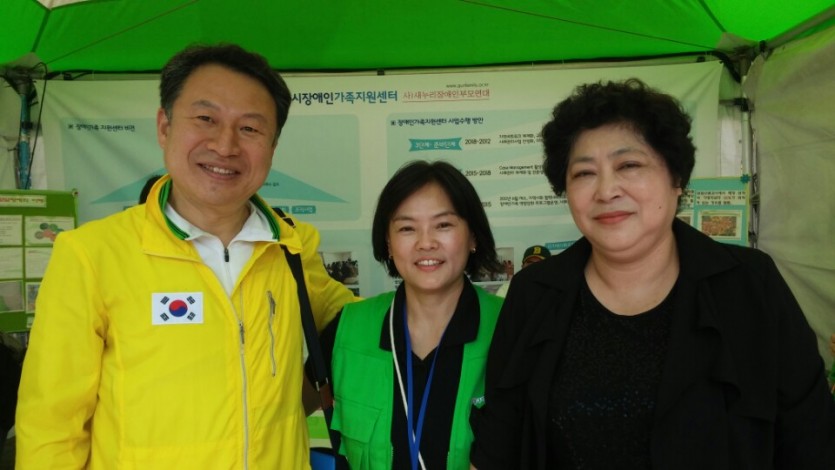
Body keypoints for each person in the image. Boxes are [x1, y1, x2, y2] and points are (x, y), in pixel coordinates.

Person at [15, 43, 357, 468]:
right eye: (205, 119)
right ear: (164, 126)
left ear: (272, 146)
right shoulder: (91, 255)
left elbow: (363, 323)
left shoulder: (290, 248)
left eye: (250, 128)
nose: (225, 145)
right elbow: (51, 426)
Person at [469, 78, 835, 469]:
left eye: (629, 165)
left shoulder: (749, 285)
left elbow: (811, 439)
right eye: (584, 173)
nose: (606, 190)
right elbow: (499, 443)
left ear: (676, 178)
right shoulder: (534, 293)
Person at [311, 160, 503, 469]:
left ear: (473, 236)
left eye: (443, 225)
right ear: (388, 243)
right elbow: (284, 416)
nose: (426, 243)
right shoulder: (347, 329)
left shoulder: (511, 328)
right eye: (407, 228)